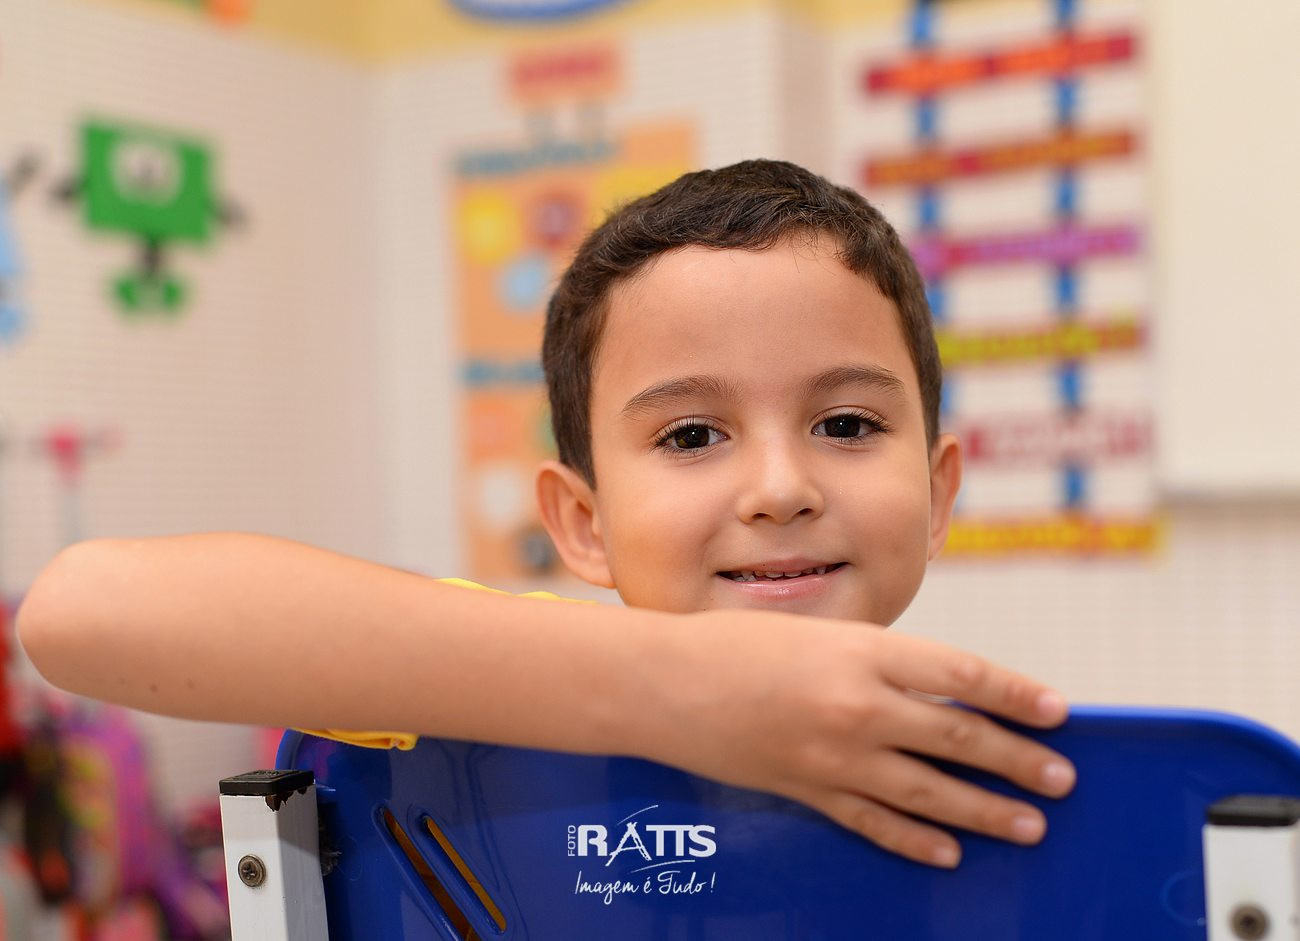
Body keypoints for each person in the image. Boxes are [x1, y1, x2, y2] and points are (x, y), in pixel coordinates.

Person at [15, 159, 1075, 871]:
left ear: (937, 491)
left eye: (845, 423)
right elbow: (80, 612)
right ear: (582, 522)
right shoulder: (495, 701)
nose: (779, 485)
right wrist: (673, 689)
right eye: (691, 435)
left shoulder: (1009, 785)